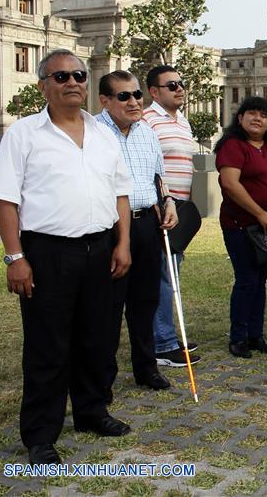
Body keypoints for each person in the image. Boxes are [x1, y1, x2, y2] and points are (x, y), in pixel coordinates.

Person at [0, 49, 132, 464]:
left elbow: (120, 193)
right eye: (61, 76)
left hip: (101, 249)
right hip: (48, 252)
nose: (72, 82)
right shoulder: (25, 134)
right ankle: (40, 435)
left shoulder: (105, 133)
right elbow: (5, 200)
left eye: (79, 75)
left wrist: (122, 244)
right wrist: (15, 257)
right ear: (44, 86)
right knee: (47, 346)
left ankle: (91, 412)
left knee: (97, 339)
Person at [96, 71, 179, 398]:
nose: (134, 102)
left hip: (147, 224)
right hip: (110, 227)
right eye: (124, 96)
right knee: (109, 305)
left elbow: (159, 176)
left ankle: (146, 368)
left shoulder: (147, 132)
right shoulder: (94, 132)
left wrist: (169, 201)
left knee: (145, 301)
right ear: (105, 100)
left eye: (137, 95)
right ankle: (103, 376)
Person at [215, 96, 267, 358]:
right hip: (241, 226)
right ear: (240, 118)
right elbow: (230, 184)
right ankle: (238, 338)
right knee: (247, 279)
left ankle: (256, 335)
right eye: (251, 113)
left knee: (260, 281)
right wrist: (259, 212)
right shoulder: (233, 146)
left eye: (263, 114)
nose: (257, 118)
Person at [143, 65, 201, 368]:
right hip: (159, 210)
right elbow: (148, 168)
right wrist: (162, 202)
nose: (180, 89)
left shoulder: (182, 122)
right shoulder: (146, 120)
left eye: (182, 83)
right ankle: (163, 344)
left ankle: (166, 336)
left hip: (181, 212)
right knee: (164, 278)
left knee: (172, 274)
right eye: (172, 85)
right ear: (154, 92)